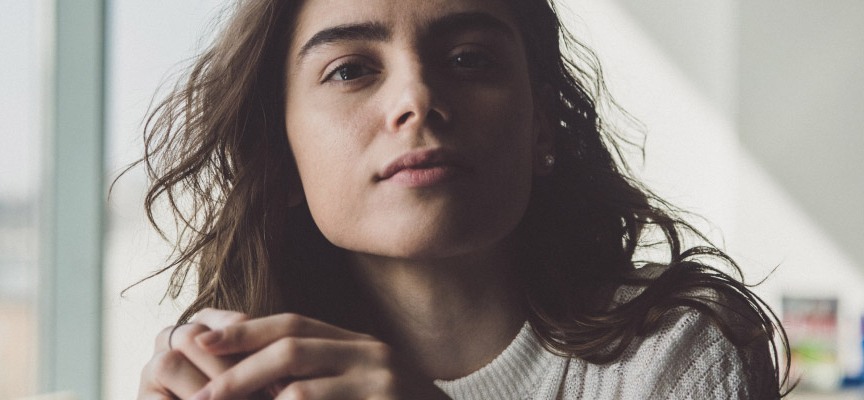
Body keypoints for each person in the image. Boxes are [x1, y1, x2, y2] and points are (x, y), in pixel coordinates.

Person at [130, 0, 791, 398]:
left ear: (542, 124)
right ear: (280, 153)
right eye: (351, 70)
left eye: (470, 58)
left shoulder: (676, 347)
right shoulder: (249, 379)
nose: (416, 99)